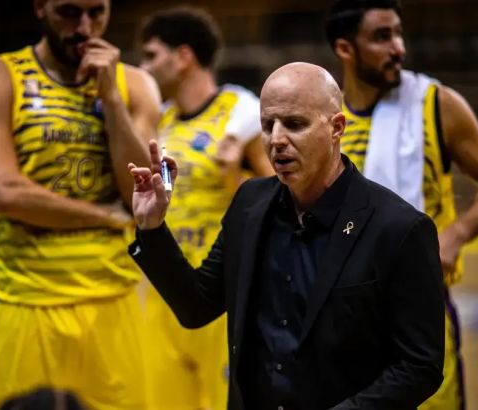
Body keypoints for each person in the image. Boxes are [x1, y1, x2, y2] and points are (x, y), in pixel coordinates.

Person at [128, 62, 445, 410]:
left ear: (337, 127)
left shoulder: (399, 227)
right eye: (268, 125)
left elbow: (419, 366)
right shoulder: (249, 204)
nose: (276, 139)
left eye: (295, 124)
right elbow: (196, 306)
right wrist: (152, 228)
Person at [0, 0, 161, 409]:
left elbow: (138, 193)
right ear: (40, 7)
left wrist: (111, 99)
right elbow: (5, 193)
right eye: (69, 12)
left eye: (96, 12)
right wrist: (105, 216)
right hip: (26, 300)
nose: (84, 27)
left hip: (113, 301)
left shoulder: (135, 85)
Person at [324, 1, 478, 408]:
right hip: (339, 319)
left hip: (418, 312)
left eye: (398, 33)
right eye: (382, 37)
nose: (399, 47)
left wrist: (456, 235)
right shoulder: (322, 118)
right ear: (345, 49)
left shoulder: (434, 104)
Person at [137, 6, 274, 409]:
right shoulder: (160, 121)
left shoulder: (241, 113)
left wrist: (233, 178)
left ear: (183, 56)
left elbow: (282, 195)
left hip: (220, 291)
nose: (144, 68)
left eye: (152, 55)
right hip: (165, 291)